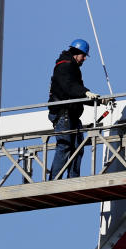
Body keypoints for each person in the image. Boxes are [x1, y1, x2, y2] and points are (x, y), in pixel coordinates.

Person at [48, 38, 101, 179]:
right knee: (65, 146)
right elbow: (70, 87)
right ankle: (54, 180)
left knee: (78, 147)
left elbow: (75, 92)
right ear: (77, 53)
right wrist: (86, 93)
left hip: (71, 114)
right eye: (84, 55)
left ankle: (73, 177)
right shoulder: (65, 66)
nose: (84, 59)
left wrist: (98, 101)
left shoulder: (71, 67)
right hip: (63, 113)